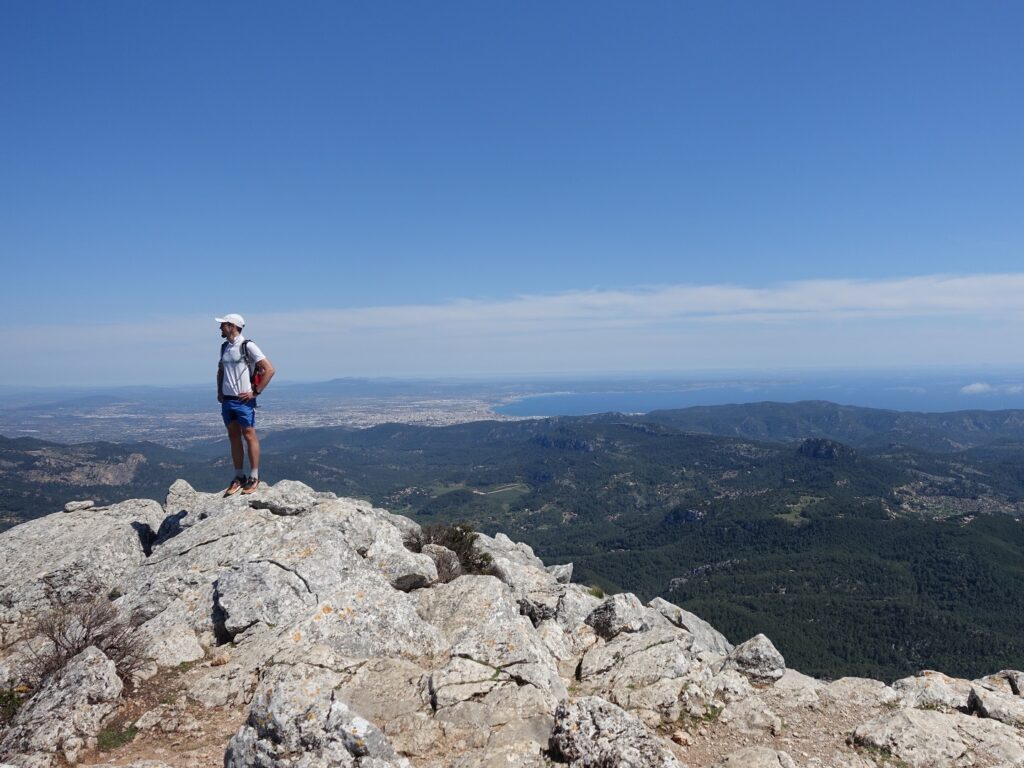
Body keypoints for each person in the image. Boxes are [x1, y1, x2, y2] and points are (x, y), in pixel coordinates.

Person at [216, 314, 275, 495]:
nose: (220, 328)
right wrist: (220, 391)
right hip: (228, 399)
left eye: (223, 325)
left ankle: (254, 476)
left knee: (249, 435)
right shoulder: (224, 347)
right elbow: (221, 370)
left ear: (232, 326)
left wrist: (255, 392)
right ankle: (239, 476)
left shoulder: (247, 345)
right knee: (233, 436)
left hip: (243, 400)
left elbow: (269, 369)